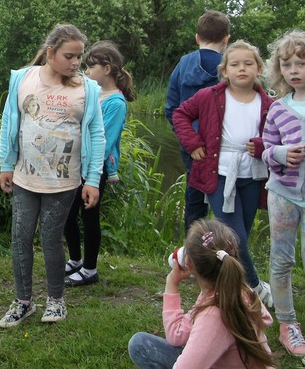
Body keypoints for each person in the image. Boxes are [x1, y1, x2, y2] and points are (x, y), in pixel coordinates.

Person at [0, 24, 105, 328]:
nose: (75, 63)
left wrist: (93, 179)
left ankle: (56, 301)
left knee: (50, 238)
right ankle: (23, 301)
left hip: (64, 181)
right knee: (20, 237)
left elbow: (96, 134)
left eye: (79, 57)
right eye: (69, 56)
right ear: (50, 53)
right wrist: (7, 163)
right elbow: (9, 123)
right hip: (24, 177)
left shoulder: (88, 88)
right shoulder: (23, 78)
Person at [172, 40, 273, 307]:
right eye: (235, 64)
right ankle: (254, 291)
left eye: (248, 64)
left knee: (240, 238)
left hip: (253, 174)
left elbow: (278, 136)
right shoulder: (210, 96)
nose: (242, 69)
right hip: (218, 174)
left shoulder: (268, 103)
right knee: (234, 237)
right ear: (225, 70)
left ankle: (225, 286)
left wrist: (262, 145)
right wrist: (193, 144)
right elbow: (180, 114)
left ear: (258, 68)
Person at [127, 218, 275, 369]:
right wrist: (171, 284)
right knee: (140, 344)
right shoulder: (237, 289)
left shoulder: (214, 315)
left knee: (142, 347)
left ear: (190, 264)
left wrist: (171, 282)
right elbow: (176, 336)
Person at [63, 41, 135, 286]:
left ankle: (90, 269)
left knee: (89, 215)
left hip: (95, 167)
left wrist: (90, 173)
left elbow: (104, 140)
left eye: (91, 67)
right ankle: (75, 260)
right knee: (67, 214)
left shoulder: (116, 103)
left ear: (107, 68)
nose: (87, 71)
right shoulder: (90, 92)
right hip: (76, 163)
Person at [165, 10, 231, 233]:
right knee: (226, 201)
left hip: (192, 147)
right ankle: (224, 251)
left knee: (194, 201)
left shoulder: (184, 64)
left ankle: (193, 253)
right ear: (226, 39)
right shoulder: (231, 68)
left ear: (197, 38)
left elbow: (171, 108)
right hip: (224, 145)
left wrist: (187, 140)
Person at [261, 29, 305, 357]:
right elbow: (266, 149)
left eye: (301, 63)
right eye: (287, 64)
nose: (294, 70)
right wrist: (280, 154)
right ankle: (287, 324)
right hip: (283, 194)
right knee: (282, 260)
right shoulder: (278, 109)